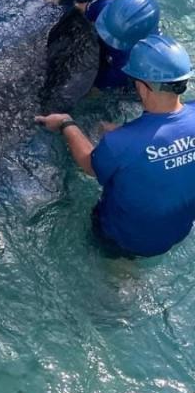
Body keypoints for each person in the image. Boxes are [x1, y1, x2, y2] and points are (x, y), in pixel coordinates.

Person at [36, 35, 195, 258]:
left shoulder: (119, 143)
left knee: (110, 252)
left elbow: (89, 165)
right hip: (176, 231)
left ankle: (120, 278)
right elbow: (169, 141)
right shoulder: (126, 140)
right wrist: (125, 134)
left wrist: (66, 123)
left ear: (142, 86)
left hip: (125, 240)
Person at [84, 0, 160, 90]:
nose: (105, 39)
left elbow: (99, 90)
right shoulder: (104, 6)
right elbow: (80, 14)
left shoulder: (132, 61)